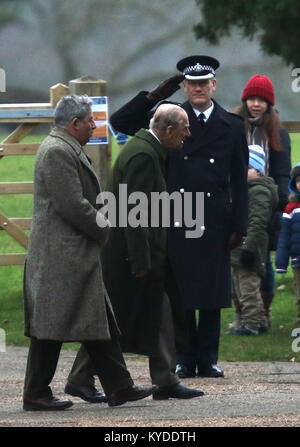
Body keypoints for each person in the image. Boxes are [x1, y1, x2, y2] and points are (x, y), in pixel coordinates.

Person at [102, 55, 249, 379]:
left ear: (214, 85)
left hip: (213, 218)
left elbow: (239, 179)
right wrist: (152, 98)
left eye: (203, 83)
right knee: (179, 290)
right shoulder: (167, 116)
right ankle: (183, 356)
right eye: (191, 83)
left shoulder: (232, 126)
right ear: (183, 85)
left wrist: (240, 223)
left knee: (211, 292)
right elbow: (122, 123)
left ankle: (208, 357)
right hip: (178, 214)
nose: (197, 88)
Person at [22, 94, 157, 411]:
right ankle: (35, 393)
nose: (94, 126)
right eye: (90, 121)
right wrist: (104, 227)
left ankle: (119, 387)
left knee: (99, 320)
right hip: (61, 255)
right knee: (50, 326)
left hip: (72, 253)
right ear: (74, 123)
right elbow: (73, 205)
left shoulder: (64, 147)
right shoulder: (56, 151)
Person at [64, 104, 204, 402]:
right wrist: (141, 260)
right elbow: (133, 210)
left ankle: (165, 379)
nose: (188, 135)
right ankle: (80, 378)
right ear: (168, 130)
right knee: (116, 321)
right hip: (129, 254)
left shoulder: (149, 150)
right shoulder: (143, 155)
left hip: (141, 250)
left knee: (160, 310)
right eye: (184, 129)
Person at [235, 74, 291, 327]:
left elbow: (282, 171)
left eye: (261, 100)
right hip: (237, 198)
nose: (256, 104)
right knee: (236, 258)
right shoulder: (234, 126)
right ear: (245, 100)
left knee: (263, 260)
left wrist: (274, 200)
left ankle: (263, 313)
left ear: (269, 103)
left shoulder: (278, 132)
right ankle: (245, 314)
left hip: (266, 201)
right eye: (252, 99)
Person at [230, 145, 278, 335]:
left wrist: (249, 249)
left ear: (257, 170)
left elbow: (257, 223)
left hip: (250, 248)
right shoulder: (245, 190)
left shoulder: (259, 192)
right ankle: (254, 321)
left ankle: (252, 324)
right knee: (240, 287)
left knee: (249, 288)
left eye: (247, 168)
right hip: (239, 247)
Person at [276, 163, 300, 325]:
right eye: (298, 180)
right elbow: (284, 237)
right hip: (298, 260)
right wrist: (281, 262)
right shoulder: (291, 208)